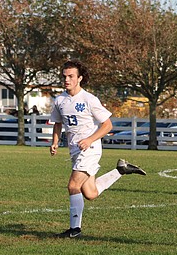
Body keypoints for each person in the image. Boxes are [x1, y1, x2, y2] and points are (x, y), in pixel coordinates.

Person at [49, 60, 146, 238]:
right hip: (75, 150)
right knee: (90, 193)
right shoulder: (60, 100)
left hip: (90, 148)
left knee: (73, 186)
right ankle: (120, 170)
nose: (67, 79)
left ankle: (74, 229)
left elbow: (107, 125)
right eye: (64, 76)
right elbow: (58, 123)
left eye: (71, 76)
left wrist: (89, 139)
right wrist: (55, 141)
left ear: (80, 78)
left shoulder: (89, 99)